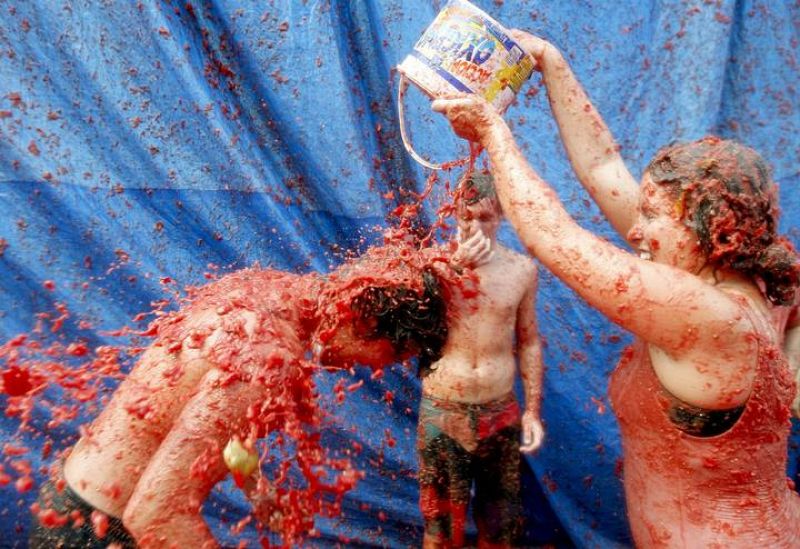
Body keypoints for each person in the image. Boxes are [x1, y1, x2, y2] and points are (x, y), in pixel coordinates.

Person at [431, 30, 800, 547]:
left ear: (710, 229)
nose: (634, 230)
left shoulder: (708, 314)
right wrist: (549, 62)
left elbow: (553, 237)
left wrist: (493, 132)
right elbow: (603, 165)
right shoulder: (759, 279)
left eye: (651, 215)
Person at [28, 240, 450, 548]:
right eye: (389, 355)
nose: (370, 369)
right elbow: (156, 515)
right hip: (97, 531)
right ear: (357, 314)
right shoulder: (271, 360)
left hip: (72, 496)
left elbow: (205, 416)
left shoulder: (264, 288)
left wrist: (257, 490)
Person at [416, 170, 545, 548]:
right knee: (440, 532)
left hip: (499, 413)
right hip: (443, 410)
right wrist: (454, 270)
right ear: (454, 213)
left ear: (500, 218)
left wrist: (532, 410)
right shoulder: (432, 266)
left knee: (501, 527)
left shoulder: (521, 270)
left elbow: (530, 341)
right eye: (465, 216)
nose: (473, 226)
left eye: (484, 218)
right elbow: (411, 326)